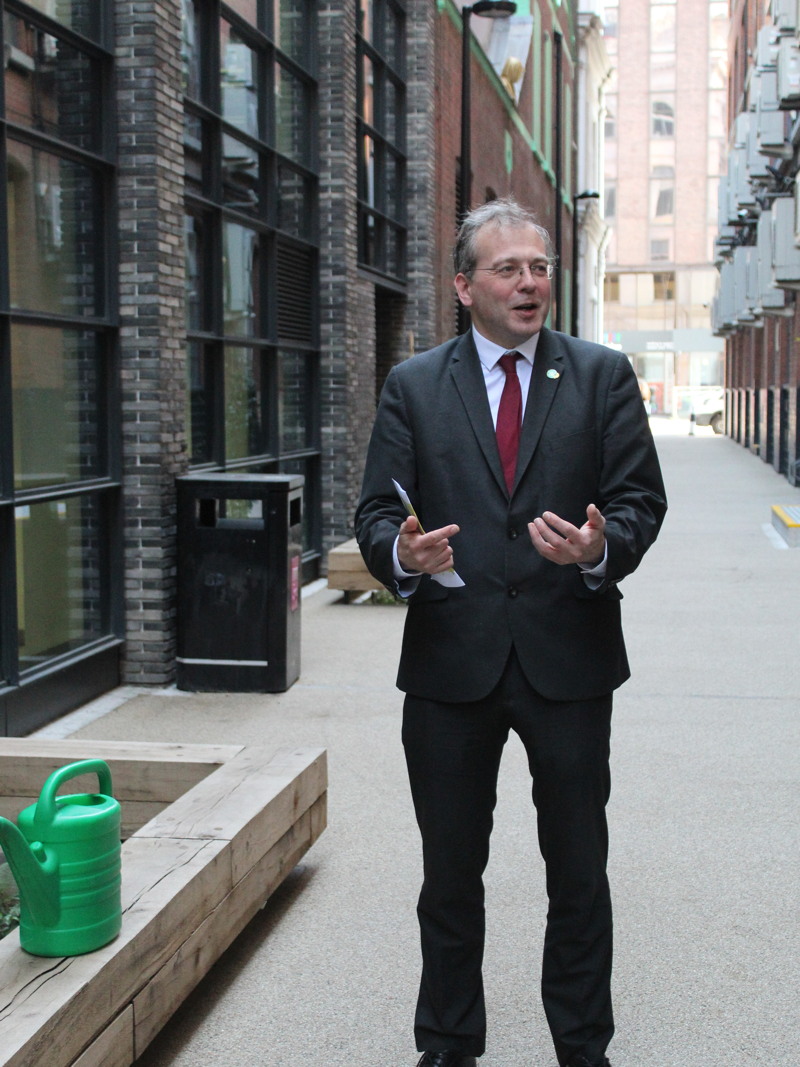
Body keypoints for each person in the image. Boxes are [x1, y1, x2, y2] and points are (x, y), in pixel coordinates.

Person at [354, 198, 667, 1067]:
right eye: (508, 268)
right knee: (450, 877)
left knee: (578, 873)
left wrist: (604, 547)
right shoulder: (415, 384)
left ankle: (582, 1045)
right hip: (452, 667)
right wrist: (403, 555)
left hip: (569, 660)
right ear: (464, 285)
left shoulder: (602, 375)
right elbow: (378, 511)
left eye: (540, 266)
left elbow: (642, 499)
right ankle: (449, 1045)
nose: (529, 282)